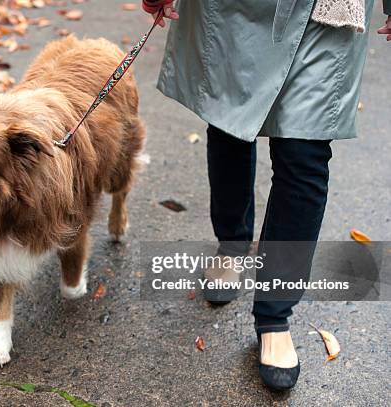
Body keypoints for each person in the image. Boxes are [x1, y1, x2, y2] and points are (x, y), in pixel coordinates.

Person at [142, 0, 391, 391]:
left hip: (329, 11)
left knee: (304, 154)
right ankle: (232, 245)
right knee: (230, 121)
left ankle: (275, 314)